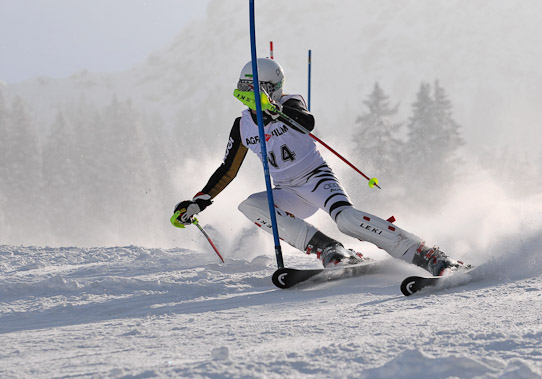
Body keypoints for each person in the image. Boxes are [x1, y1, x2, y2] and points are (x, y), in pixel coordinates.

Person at [172, 58, 465, 276]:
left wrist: (277, 111)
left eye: (267, 88)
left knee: (347, 219)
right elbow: (227, 170)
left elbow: (307, 121)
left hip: (316, 179)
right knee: (250, 206)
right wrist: (199, 202)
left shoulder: (290, 103)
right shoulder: (243, 126)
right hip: (288, 191)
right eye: (256, 88)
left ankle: (425, 254)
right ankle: (329, 249)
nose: (271, 92)